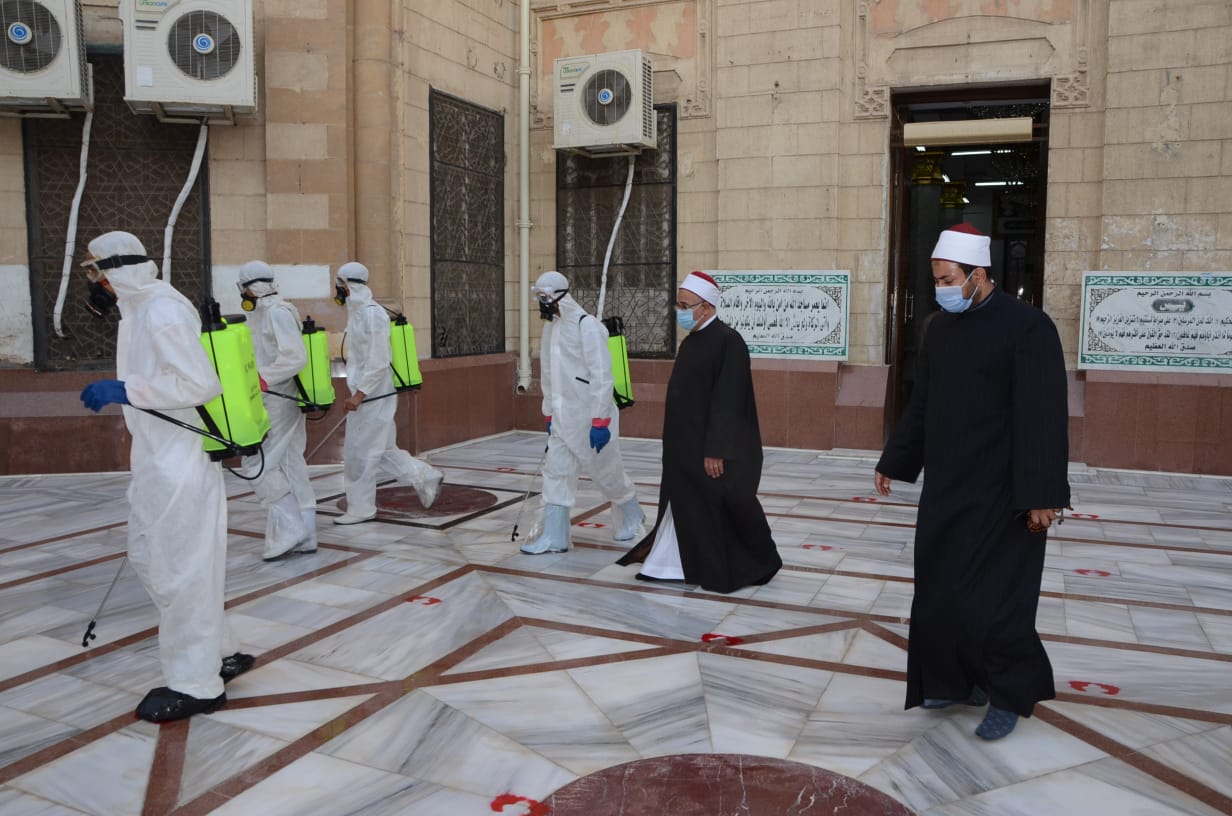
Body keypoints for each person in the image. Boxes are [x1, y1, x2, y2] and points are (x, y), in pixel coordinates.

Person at [874, 222, 1070, 741]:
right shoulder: (938, 329)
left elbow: (1043, 416)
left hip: (1006, 491)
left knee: (998, 601)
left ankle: (1008, 693)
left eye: (946, 279)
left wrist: (1042, 495)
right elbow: (923, 405)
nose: (940, 288)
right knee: (940, 590)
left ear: (977, 275)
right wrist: (894, 459)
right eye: (936, 279)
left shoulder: (1028, 328)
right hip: (948, 486)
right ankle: (953, 681)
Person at [79, 231, 253, 723]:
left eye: (96, 271)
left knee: (178, 570)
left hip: (179, 460)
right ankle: (219, 652)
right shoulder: (139, 310)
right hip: (157, 458)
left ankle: (195, 682)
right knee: (157, 559)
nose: (94, 283)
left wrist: (126, 389)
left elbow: (199, 383)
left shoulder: (160, 309)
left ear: (117, 268)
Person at [617, 271, 781, 592]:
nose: (679, 310)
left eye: (684, 305)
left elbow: (728, 400)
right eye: (678, 304)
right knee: (684, 505)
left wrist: (716, 449)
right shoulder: (693, 341)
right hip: (683, 448)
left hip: (709, 449)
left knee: (723, 507)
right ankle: (672, 561)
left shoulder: (728, 342)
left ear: (705, 307)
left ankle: (759, 562)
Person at [519, 271, 645, 555]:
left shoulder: (588, 326)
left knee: (606, 473)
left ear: (561, 296)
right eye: (539, 298)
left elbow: (602, 376)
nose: (543, 303)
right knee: (556, 473)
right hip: (563, 420)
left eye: (546, 297)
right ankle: (555, 536)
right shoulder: (551, 328)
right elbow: (548, 374)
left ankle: (632, 514)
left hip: (590, 419)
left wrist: (600, 420)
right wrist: (549, 411)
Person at [333, 261, 443, 524]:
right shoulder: (359, 313)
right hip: (368, 396)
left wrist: (360, 394)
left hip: (373, 397)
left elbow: (380, 360)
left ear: (347, 286)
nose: (336, 290)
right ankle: (426, 476)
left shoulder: (373, 315)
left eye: (339, 285)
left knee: (359, 453)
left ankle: (361, 509)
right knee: (382, 450)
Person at [237, 261, 318, 560]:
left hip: (277, 398)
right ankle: (306, 533)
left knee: (257, 464)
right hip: (273, 397)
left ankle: (289, 528)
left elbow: (295, 357)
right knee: (290, 463)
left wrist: (263, 379)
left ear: (248, 286)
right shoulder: (262, 314)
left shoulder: (277, 312)